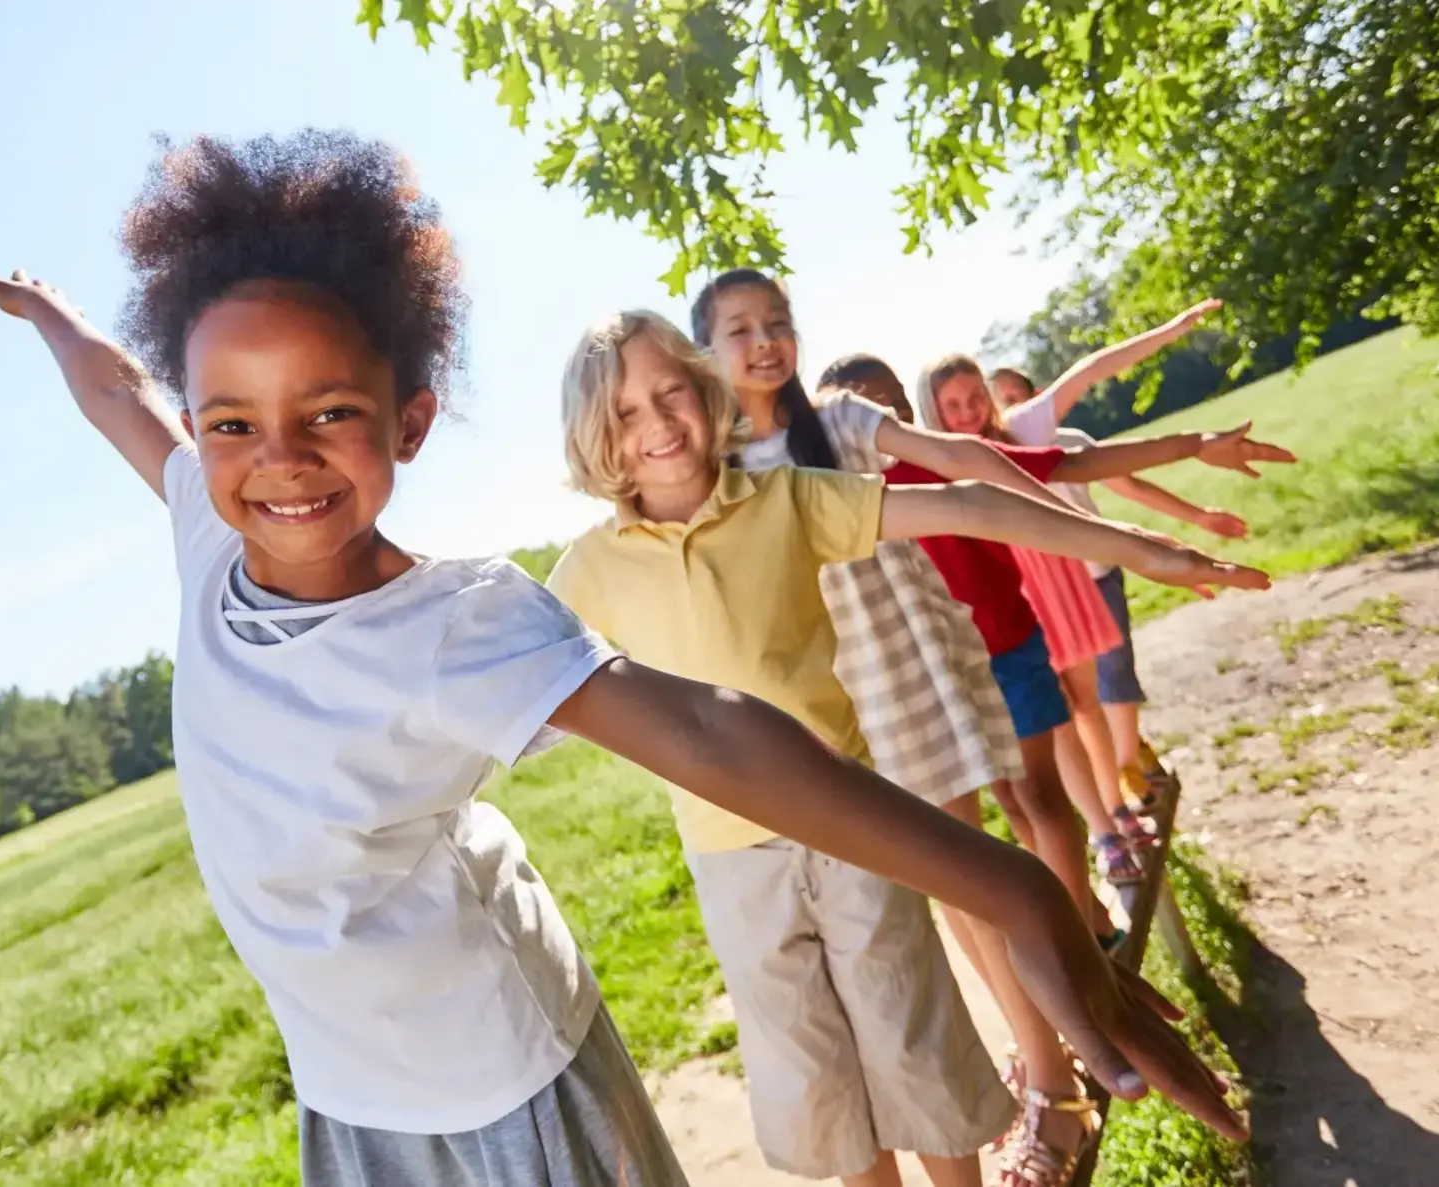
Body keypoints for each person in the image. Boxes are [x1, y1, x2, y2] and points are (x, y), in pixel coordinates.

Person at [0, 129, 1244, 1187]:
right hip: (350, 1093)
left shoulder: (456, 619)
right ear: (198, 426)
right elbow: (115, 391)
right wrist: (48, 317)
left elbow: (711, 732)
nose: (278, 454)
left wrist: (1019, 894)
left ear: (408, 419)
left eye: (330, 412)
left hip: (505, 1075)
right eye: (231, 419)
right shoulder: (199, 522)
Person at [547, 308, 1259, 1187]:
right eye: (624, 412)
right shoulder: (584, 572)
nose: (655, 423)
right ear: (595, 436)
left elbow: (965, 501)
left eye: (670, 393)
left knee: (911, 1041)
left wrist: (1136, 547)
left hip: (856, 829)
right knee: (821, 1082)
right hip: (731, 862)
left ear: (706, 392)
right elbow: (512, 699)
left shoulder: (786, 499)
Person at [814, 352, 1283, 1183]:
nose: (892, 428)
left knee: (1032, 807)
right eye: (877, 413)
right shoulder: (830, 486)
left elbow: (1054, 461)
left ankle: (1079, 945)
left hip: (997, 653)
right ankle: (1042, 1029)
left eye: (894, 409)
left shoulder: (922, 463)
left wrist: (1189, 446)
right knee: (981, 850)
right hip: (923, 687)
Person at [984, 298, 1226, 802]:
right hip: (1049, 593)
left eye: (1015, 396)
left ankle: (1127, 768)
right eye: (998, 400)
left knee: (1115, 677)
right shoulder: (988, 454)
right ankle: (1119, 769)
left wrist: (1196, 518)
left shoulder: (1062, 436)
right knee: (1081, 700)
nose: (1008, 407)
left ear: (1033, 398)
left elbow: (1130, 485)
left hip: (1097, 572)